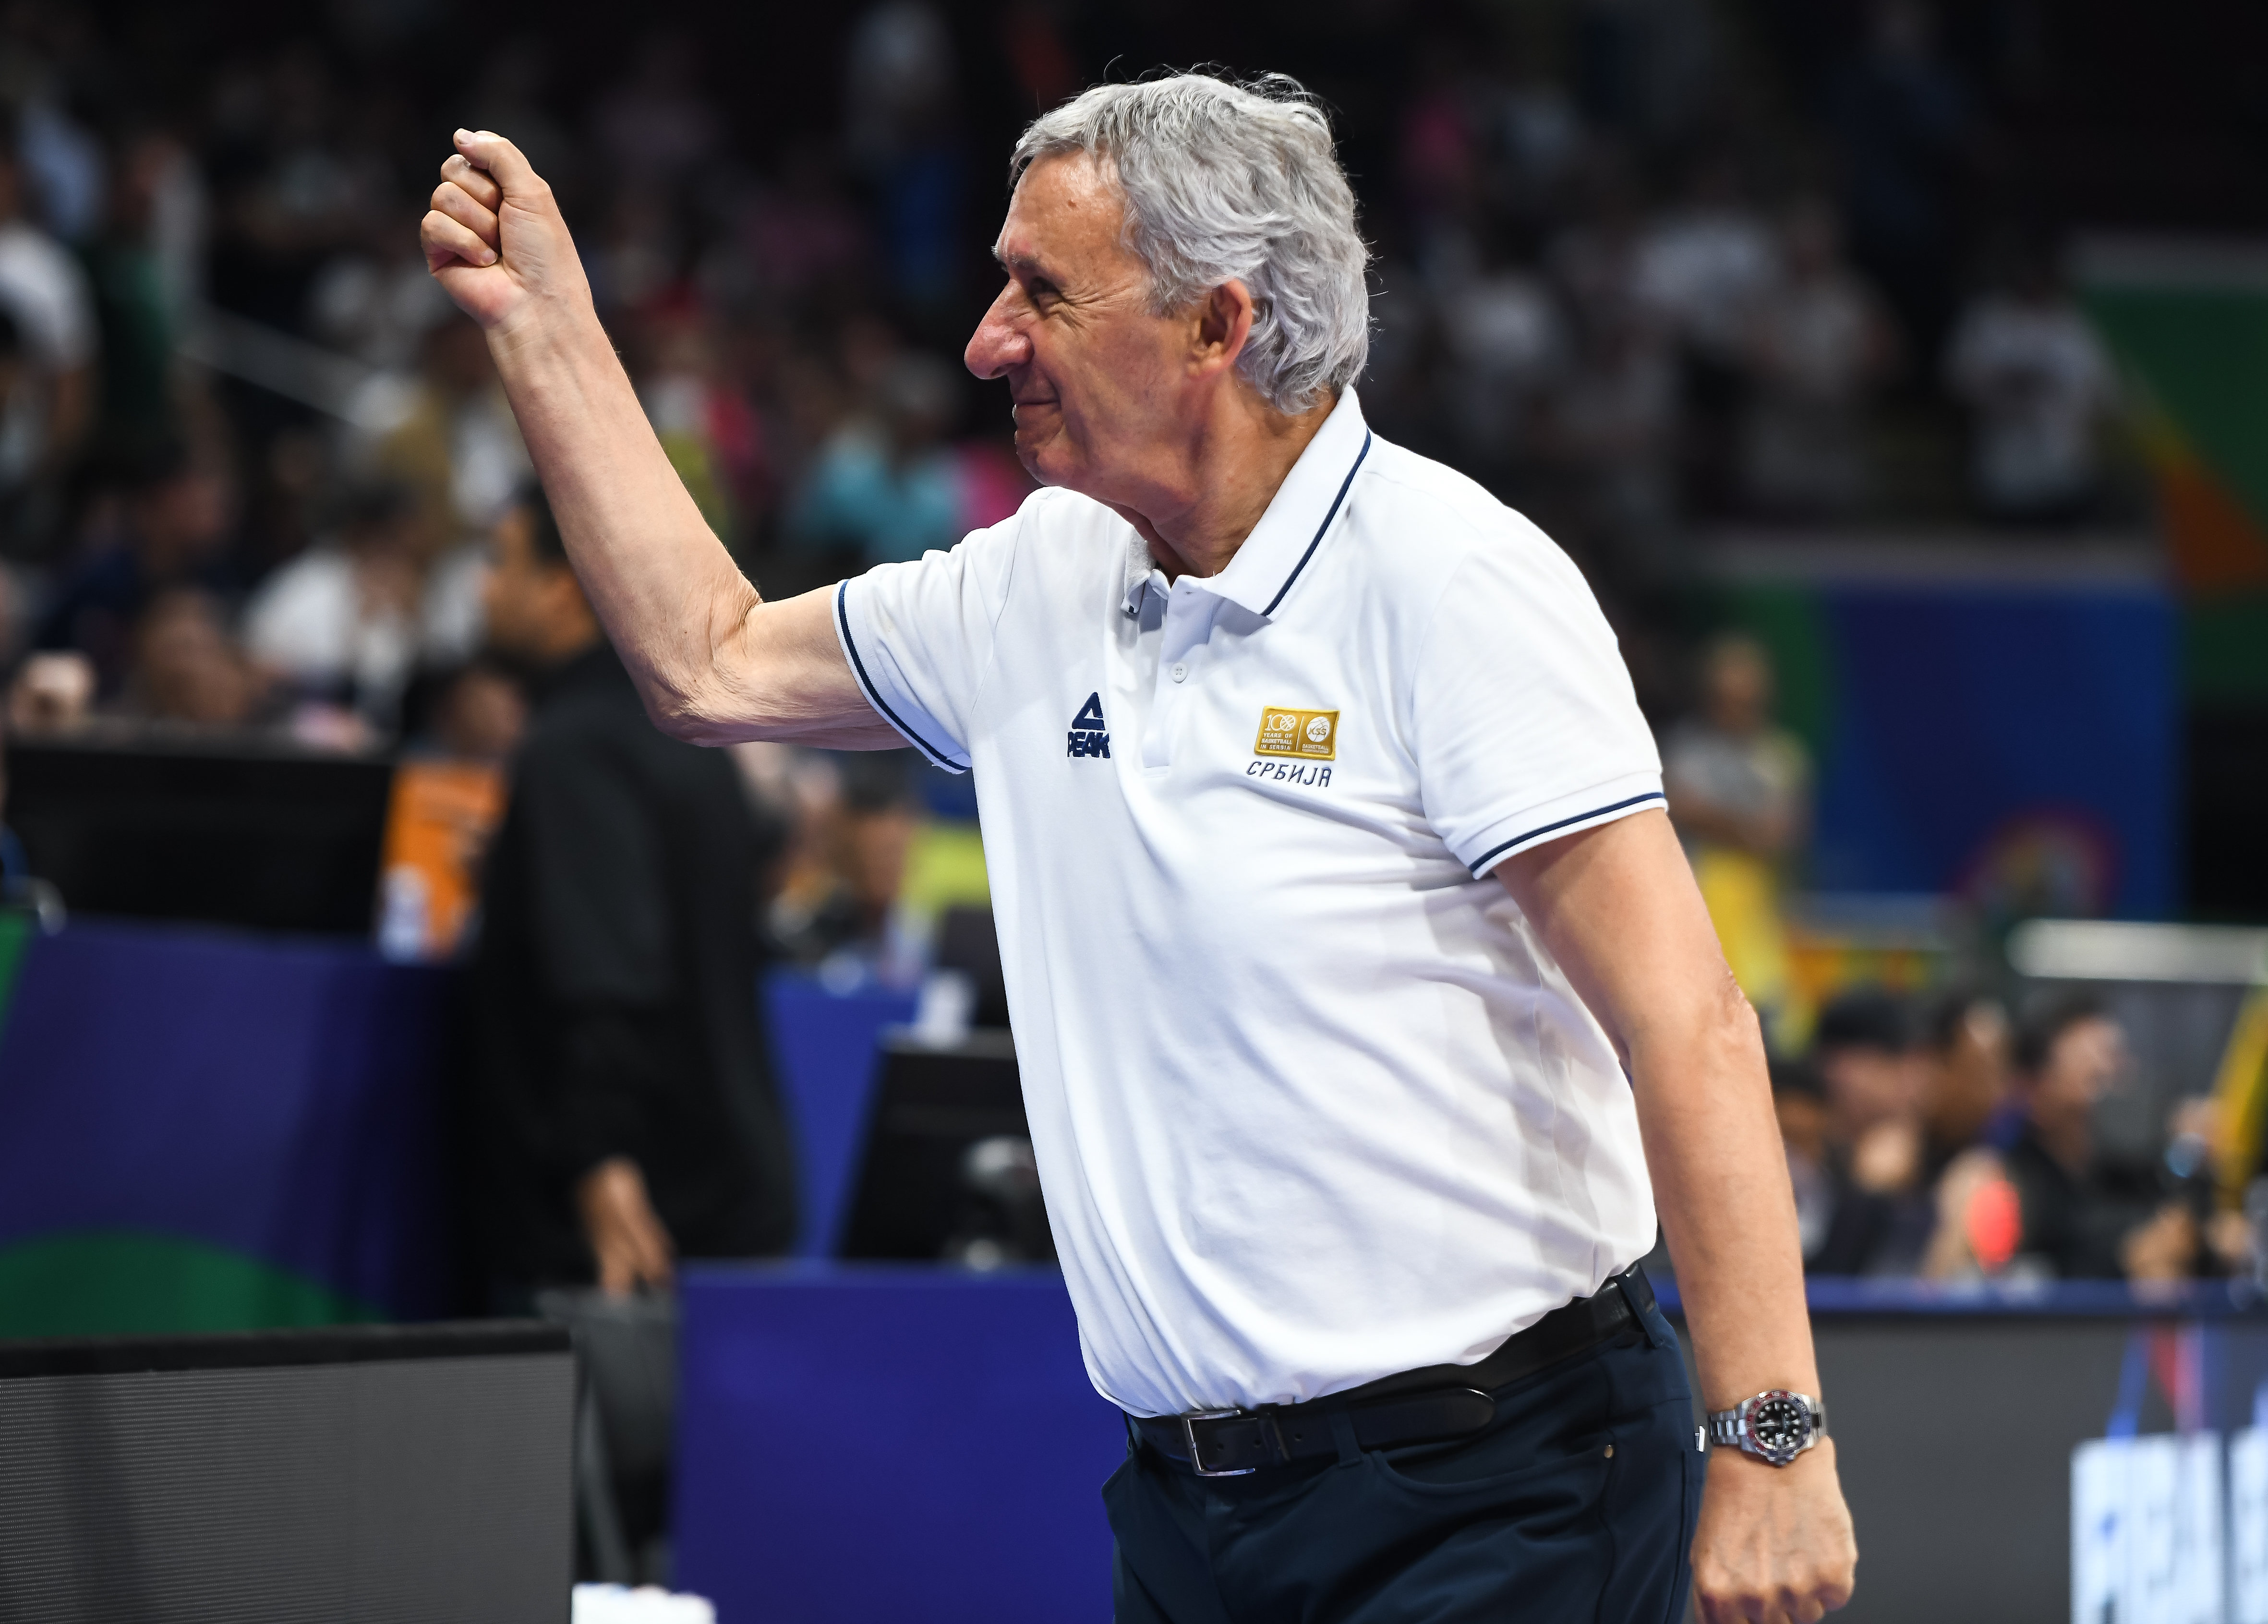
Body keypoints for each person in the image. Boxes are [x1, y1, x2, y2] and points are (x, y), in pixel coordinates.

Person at [424, 73, 1855, 1622]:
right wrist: (547, 329)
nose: (985, 341)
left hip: (1502, 1491)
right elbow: (706, 662)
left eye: (1040, 290)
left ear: (1216, 326)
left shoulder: (1452, 589)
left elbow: (1688, 1022)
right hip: (1194, 1516)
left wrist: (1769, 1439)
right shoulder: (1039, 578)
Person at [466, 490, 798, 1301]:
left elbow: (607, 974)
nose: (483, 589)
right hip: (726, 1209)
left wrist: (600, 1162)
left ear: (565, 586)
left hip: (627, 1239)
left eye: (500, 561)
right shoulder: (696, 739)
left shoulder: (572, 748)